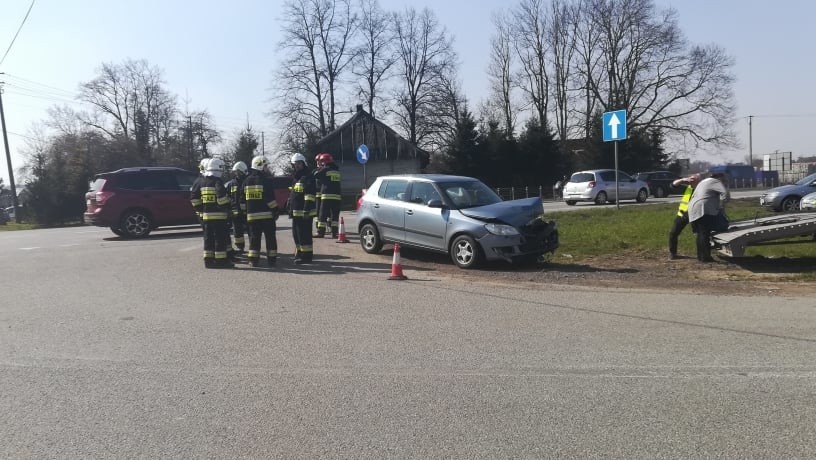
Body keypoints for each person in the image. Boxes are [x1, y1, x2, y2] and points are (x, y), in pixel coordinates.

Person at [190, 158, 232, 268]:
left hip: (206, 216)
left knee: (208, 238)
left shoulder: (203, 182)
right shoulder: (217, 182)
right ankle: (221, 261)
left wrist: (201, 209)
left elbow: (194, 199)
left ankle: (208, 261)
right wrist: (227, 205)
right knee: (219, 239)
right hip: (219, 216)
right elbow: (221, 198)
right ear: (218, 169)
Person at [241, 155, 280, 267]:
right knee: (270, 238)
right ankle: (272, 260)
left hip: (252, 217)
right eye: (265, 166)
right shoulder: (265, 181)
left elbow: (242, 200)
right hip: (266, 216)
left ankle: (253, 260)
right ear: (260, 166)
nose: (267, 168)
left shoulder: (246, 181)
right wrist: (275, 210)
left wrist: (245, 212)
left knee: (254, 239)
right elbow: (269, 199)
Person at [688, 172, 730, 262]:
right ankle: (705, 257)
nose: (724, 181)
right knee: (704, 233)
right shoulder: (715, 182)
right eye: (724, 180)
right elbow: (725, 195)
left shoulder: (703, 182)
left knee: (700, 233)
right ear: (719, 178)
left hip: (693, 209)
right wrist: (722, 207)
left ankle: (701, 256)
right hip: (703, 209)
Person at [288, 153, 316, 264]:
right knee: (296, 234)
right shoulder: (296, 178)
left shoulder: (308, 176)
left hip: (305, 212)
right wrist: (290, 208)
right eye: (295, 164)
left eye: (299, 163)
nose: (297, 166)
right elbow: (293, 195)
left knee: (305, 235)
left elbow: (310, 194)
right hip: (296, 212)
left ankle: (307, 256)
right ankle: (299, 253)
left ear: (303, 163)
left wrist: (306, 210)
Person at [667, 173, 701, 260]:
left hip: (696, 215)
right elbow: (672, 185)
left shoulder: (701, 189)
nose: (691, 181)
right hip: (683, 214)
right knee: (673, 233)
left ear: (699, 181)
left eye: (694, 179)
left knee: (699, 235)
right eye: (690, 179)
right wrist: (682, 180)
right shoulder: (687, 188)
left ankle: (701, 254)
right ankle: (672, 253)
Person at [313, 152, 342, 238]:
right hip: (337, 197)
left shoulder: (325, 170)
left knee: (323, 215)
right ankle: (335, 233)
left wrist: (320, 168)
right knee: (334, 216)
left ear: (324, 162)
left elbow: (316, 175)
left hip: (327, 196)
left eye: (322, 162)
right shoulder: (336, 171)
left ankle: (320, 232)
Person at [224, 161, 248, 253]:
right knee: (237, 231)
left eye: (237, 172)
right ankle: (240, 247)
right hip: (235, 211)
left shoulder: (247, 182)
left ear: (242, 171)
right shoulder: (231, 184)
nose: (236, 174)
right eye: (235, 172)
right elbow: (227, 196)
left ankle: (254, 247)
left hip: (247, 211)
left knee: (251, 231)